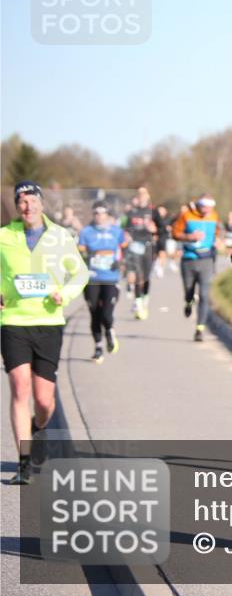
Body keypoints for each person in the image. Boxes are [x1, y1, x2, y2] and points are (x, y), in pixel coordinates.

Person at [0, 181, 88, 484]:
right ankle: (23, 462)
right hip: (13, 321)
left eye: (33, 200)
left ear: (41, 203)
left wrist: (66, 293)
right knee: (19, 388)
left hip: (48, 322)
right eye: (22, 202)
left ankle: (38, 429)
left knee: (43, 400)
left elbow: (80, 272)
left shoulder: (59, 237)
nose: (28, 207)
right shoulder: (4, 237)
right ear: (17, 206)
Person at [78, 201, 129, 362]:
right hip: (92, 278)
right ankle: (98, 346)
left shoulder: (116, 231)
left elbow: (126, 246)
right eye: (96, 213)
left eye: (102, 212)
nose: (99, 216)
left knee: (107, 313)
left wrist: (121, 261)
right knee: (94, 314)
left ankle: (109, 330)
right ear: (93, 214)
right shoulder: (86, 232)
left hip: (110, 278)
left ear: (107, 214)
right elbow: (80, 252)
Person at [172, 194, 223, 341]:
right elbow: (175, 233)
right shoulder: (186, 215)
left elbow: (218, 232)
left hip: (206, 260)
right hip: (189, 260)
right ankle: (188, 302)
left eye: (210, 206)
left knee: (205, 295)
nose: (207, 209)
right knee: (189, 291)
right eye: (204, 206)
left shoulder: (214, 216)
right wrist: (189, 237)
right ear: (199, 205)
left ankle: (199, 328)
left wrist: (217, 241)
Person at [122, 187, 157, 320]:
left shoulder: (153, 211)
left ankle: (145, 298)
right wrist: (127, 235)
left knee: (147, 276)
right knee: (137, 275)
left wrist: (154, 229)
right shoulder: (132, 212)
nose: (142, 197)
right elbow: (125, 228)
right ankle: (138, 303)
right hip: (135, 245)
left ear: (148, 197)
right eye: (140, 195)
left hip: (148, 246)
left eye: (144, 195)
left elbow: (162, 227)